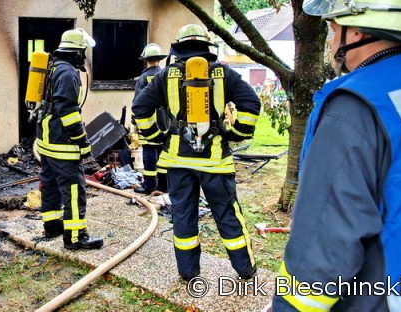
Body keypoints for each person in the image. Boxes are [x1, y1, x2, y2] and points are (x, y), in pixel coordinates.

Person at [270, 0, 401, 311]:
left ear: (356, 31)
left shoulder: (357, 104)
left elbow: (324, 243)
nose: (330, 42)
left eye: (333, 30)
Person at [132, 24, 260, 281]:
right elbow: (251, 103)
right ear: (207, 47)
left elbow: (140, 107)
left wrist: (157, 137)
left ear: (178, 48)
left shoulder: (165, 76)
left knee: (183, 215)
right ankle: (245, 269)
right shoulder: (224, 74)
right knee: (227, 214)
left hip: (178, 162)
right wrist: (236, 133)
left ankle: (188, 272)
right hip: (215, 163)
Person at [35, 28, 104, 250]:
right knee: (74, 189)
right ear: (76, 52)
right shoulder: (67, 73)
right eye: (83, 52)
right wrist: (82, 142)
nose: (83, 57)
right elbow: (69, 113)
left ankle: (52, 226)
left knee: (50, 184)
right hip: (62, 143)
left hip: (46, 140)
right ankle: (75, 237)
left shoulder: (52, 67)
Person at [132, 43, 168, 194]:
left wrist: (134, 121)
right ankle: (164, 185)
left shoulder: (144, 77)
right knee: (164, 154)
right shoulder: (165, 75)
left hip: (148, 122)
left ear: (146, 60)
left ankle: (149, 185)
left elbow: (138, 102)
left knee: (149, 153)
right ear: (159, 59)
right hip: (165, 122)